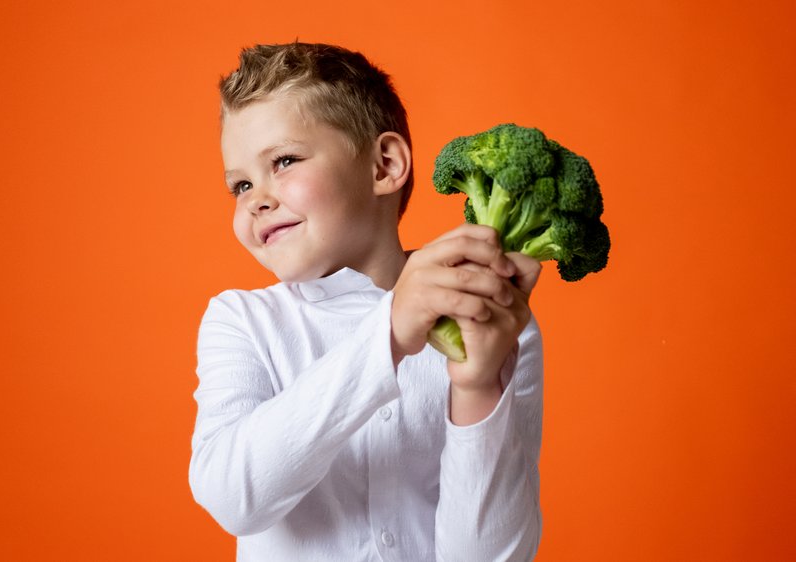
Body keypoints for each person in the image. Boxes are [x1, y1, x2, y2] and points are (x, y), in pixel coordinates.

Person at [188, 40, 544, 561]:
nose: (256, 199)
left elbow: (490, 556)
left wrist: (476, 387)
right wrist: (390, 335)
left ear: (384, 165)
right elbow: (233, 497)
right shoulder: (241, 320)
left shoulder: (491, 320)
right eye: (239, 184)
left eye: (283, 161)